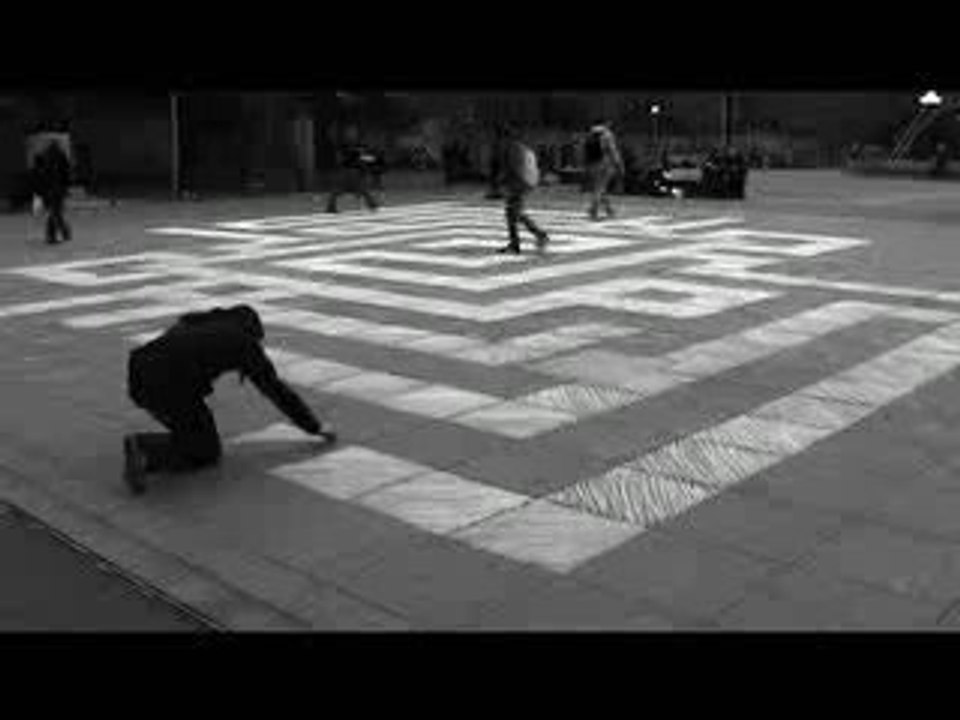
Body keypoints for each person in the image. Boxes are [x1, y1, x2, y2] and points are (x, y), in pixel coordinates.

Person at [123, 305, 336, 495]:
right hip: (170, 387)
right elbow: (276, 390)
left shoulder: (196, 323)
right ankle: (146, 451)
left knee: (194, 432)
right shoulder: (243, 343)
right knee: (206, 452)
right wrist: (314, 426)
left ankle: (148, 447)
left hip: (141, 378)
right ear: (252, 331)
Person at [496, 124, 549, 255]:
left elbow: (513, 168)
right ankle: (516, 243)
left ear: (503, 137)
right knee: (512, 214)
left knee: (515, 213)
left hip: (517, 185)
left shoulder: (511, 148)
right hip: (522, 184)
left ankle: (540, 235)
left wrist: (502, 181)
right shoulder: (518, 146)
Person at [31, 141, 72, 244]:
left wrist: (39, 193)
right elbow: (65, 174)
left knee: (55, 212)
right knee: (56, 213)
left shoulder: (44, 160)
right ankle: (58, 234)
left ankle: (58, 234)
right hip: (56, 190)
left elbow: (39, 178)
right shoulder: (59, 158)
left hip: (50, 190)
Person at [583, 120, 625, 221]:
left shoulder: (590, 133)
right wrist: (619, 164)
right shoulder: (607, 134)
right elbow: (612, 150)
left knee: (600, 187)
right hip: (604, 163)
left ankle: (609, 210)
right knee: (600, 188)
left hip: (591, 164)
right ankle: (593, 210)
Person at [325, 137, 380, 213]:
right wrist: (371, 158)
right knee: (360, 189)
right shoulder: (353, 152)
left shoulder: (351, 152)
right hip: (351, 172)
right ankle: (372, 204)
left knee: (341, 190)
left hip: (349, 172)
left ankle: (372, 204)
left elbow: (365, 159)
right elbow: (365, 159)